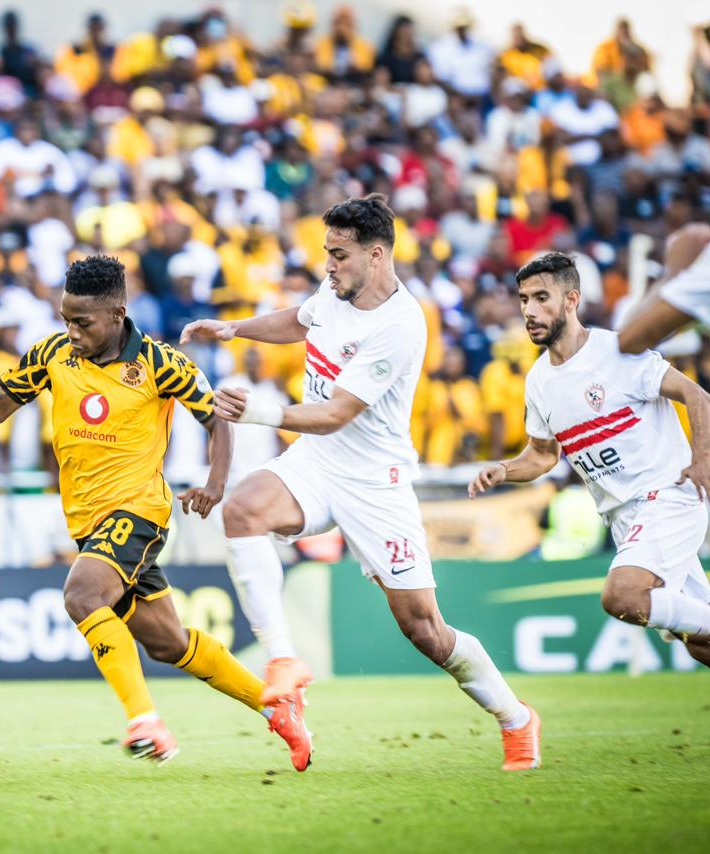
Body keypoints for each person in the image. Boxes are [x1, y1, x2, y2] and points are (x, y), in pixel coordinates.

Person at [0, 254, 311, 768]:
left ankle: (145, 722)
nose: (72, 331)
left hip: (139, 512)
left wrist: (215, 484)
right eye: (66, 319)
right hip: (88, 524)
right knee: (168, 643)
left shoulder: (160, 362)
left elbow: (216, 418)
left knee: (82, 595)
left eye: (82, 322)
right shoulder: (52, 354)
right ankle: (278, 710)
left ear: (117, 314)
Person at [182, 195, 540, 772]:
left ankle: (516, 717)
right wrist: (235, 329)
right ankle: (283, 666)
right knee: (242, 511)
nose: (328, 264)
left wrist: (259, 412)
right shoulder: (336, 290)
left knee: (425, 630)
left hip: (376, 483)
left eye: (339, 254)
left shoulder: (401, 324)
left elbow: (336, 412)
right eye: (327, 252)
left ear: (377, 255)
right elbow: (300, 320)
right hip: (317, 461)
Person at [470, 253, 710, 690]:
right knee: (702, 643)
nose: (529, 311)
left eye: (541, 298)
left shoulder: (618, 352)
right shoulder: (538, 381)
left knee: (623, 596)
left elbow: (698, 396)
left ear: (571, 299)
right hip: (622, 517)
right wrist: (503, 469)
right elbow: (542, 455)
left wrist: (703, 458)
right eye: (523, 300)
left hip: (665, 496)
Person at [619, 221, 710, 356]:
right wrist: (672, 275)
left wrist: (672, 274)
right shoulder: (627, 303)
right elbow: (625, 341)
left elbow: (629, 341)